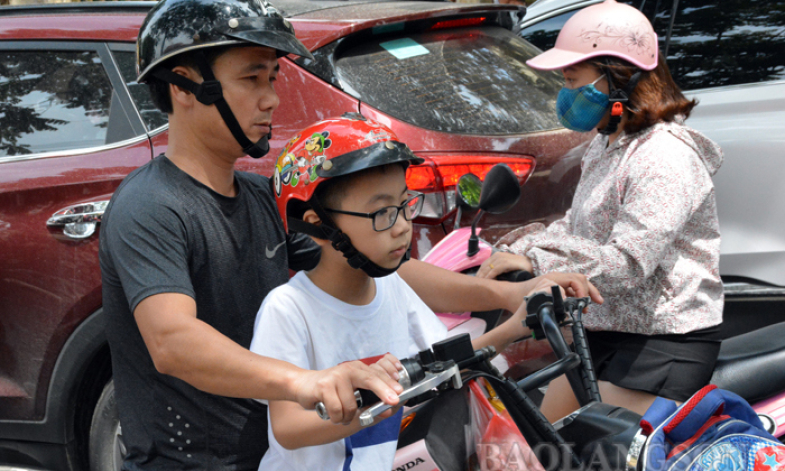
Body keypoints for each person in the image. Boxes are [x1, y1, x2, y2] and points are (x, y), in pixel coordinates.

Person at [100, 0, 600, 468]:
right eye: (252, 79)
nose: (271, 99)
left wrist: (509, 294)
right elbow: (172, 339)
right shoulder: (152, 205)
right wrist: (308, 382)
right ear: (185, 87)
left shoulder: (257, 196)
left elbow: (380, 263)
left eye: (273, 78)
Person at [250, 115, 566, 470]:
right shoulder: (289, 309)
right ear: (316, 224)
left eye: (405, 205)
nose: (403, 227)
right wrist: (391, 397)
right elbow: (289, 428)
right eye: (383, 212)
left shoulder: (390, 287)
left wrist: (512, 329)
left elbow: (439, 365)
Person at [476, 0, 724, 422]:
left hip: (661, 343)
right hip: (602, 328)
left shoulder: (664, 156)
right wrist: (515, 248)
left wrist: (536, 259)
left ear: (619, 77)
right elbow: (578, 227)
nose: (565, 92)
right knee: (538, 445)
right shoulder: (608, 143)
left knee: (591, 451)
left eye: (573, 79)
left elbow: (628, 261)